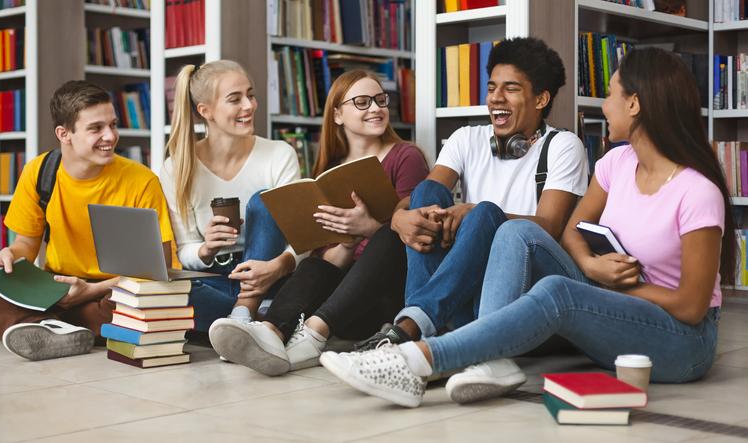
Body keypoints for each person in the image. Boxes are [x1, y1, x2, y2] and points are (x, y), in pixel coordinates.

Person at [320, 47, 733, 408]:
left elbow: (692, 307)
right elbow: (571, 231)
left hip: (680, 339)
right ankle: (487, 359)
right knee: (515, 232)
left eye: (610, 94)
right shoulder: (615, 164)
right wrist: (590, 266)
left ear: (635, 105)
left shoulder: (696, 191)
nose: (604, 105)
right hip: (610, 300)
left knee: (553, 287)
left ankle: (418, 358)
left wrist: (612, 285)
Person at [356, 37, 589, 350]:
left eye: (511, 88)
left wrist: (476, 213)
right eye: (492, 87)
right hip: (468, 290)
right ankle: (427, 333)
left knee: (486, 213)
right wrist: (399, 218)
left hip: (526, 285)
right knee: (427, 190)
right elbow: (419, 198)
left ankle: (412, 329)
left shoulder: (563, 146)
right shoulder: (466, 139)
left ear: (540, 99)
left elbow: (550, 226)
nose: (496, 98)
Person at [207, 70, 429, 376]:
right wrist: (348, 242)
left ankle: (313, 335)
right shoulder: (331, 170)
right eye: (362, 102)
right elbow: (331, 259)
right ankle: (271, 333)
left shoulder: (407, 157)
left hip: (389, 292)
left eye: (380, 100)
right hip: (345, 303)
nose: (376, 109)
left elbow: (413, 235)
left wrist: (367, 228)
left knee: (389, 234)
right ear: (337, 114)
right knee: (316, 263)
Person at [0, 80, 176, 361]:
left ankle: (23, 321)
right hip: (56, 284)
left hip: (110, 288)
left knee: (137, 307)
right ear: (65, 134)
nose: (110, 136)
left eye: (112, 124)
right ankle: (42, 323)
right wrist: (10, 254)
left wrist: (92, 290)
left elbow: (160, 267)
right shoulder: (39, 171)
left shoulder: (141, 181)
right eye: (96, 128)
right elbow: (26, 242)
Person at [160, 60, 302, 333]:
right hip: (213, 279)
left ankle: (244, 311)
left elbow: (302, 239)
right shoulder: (175, 167)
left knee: (264, 199)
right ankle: (261, 320)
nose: (248, 106)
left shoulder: (279, 154)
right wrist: (206, 249)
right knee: (160, 293)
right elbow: (184, 249)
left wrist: (278, 266)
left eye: (250, 95)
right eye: (235, 99)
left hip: (272, 275)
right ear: (206, 111)